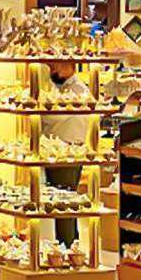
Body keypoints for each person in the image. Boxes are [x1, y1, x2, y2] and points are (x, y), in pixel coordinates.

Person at [42, 61, 91, 246]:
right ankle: (68, 245)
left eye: (56, 66)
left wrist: (40, 107)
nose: (53, 70)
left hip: (67, 153)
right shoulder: (62, 90)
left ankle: (67, 246)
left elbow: (52, 115)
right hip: (58, 153)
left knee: (63, 203)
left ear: (70, 66)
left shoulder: (78, 90)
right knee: (62, 202)